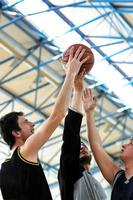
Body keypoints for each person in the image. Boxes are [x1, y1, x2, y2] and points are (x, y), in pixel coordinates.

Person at [0, 46, 89, 200]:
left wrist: (78, 91)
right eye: (26, 122)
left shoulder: (4, 168)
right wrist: (70, 73)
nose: (32, 124)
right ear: (16, 133)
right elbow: (57, 115)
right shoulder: (25, 152)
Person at [58, 72, 107, 200]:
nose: (81, 147)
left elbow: (97, 145)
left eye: (84, 145)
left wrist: (90, 113)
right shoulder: (69, 172)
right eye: (78, 146)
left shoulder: (94, 181)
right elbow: (71, 136)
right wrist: (78, 92)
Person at [82, 88, 133, 200]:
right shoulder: (119, 177)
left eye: (131, 144)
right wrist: (89, 113)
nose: (124, 145)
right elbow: (96, 147)